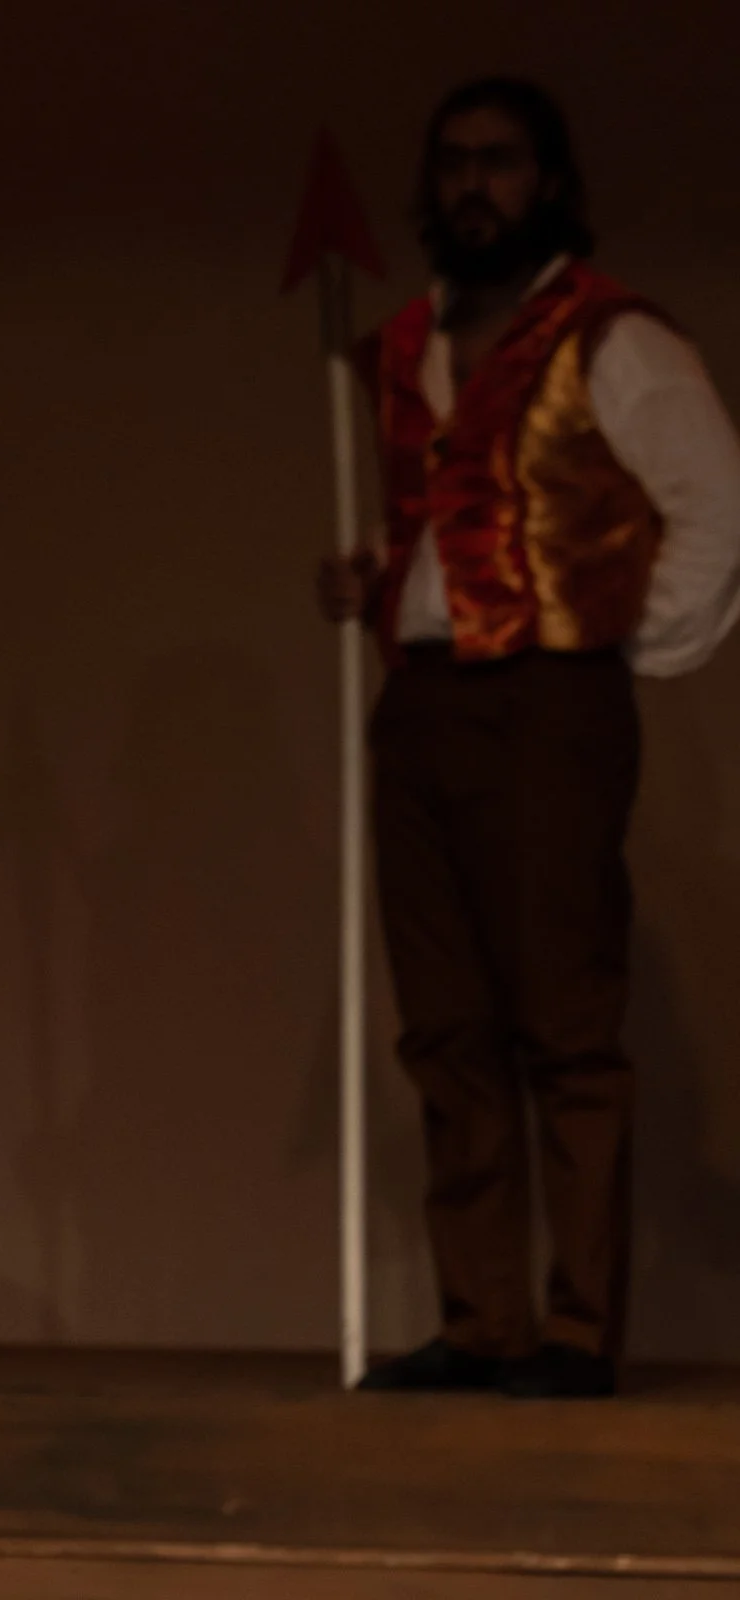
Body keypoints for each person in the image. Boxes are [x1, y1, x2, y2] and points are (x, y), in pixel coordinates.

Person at [319, 79, 740, 1399]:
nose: (473, 187)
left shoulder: (611, 337)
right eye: (453, 163)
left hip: (549, 699)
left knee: (563, 1015)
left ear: (548, 180)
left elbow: (715, 505)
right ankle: (483, 1317)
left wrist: (616, 642)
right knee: (445, 1020)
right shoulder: (409, 343)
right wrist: (378, 577)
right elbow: (449, 514)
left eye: (499, 162)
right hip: (423, 700)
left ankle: (573, 1326)